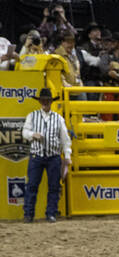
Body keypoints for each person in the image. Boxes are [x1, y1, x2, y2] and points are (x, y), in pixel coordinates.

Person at [21, 88, 71, 224]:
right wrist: (32, 135)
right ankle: (28, 214)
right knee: (32, 185)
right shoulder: (32, 116)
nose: (45, 103)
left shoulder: (58, 118)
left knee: (54, 186)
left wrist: (67, 156)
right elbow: (24, 132)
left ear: (50, 102)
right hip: (36, 155)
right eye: (43, 100)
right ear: (40, 101)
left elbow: (65, 139)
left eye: (47, 100)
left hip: (53, 156)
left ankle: (51, 213)